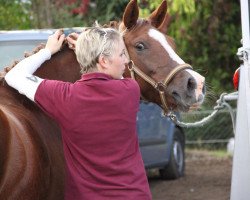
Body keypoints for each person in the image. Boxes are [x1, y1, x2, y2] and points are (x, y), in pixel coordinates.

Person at [5, 27, 152, 200]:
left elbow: (14, 76)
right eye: (121, 54)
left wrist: (47, 51)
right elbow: (118, 78)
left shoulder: (64, 95)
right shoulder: (130, 90)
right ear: (103, 61)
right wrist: (86, 51)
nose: (126, 60)